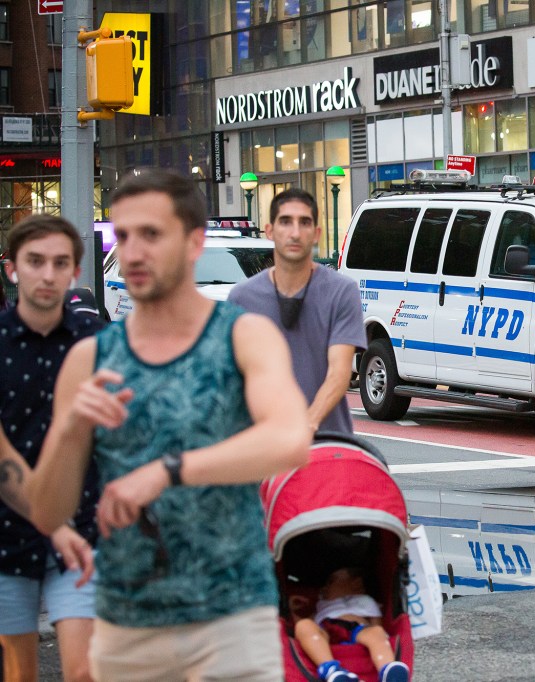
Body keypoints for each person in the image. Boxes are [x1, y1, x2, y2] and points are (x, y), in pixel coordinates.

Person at [27, 169, 310, 680]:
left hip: (233, 616)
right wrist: (70, 428)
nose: (132, 252)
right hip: (127, 627)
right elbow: (47, 512)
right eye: (124, 235)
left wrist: (168, 470)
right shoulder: (90, 359)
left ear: (194, 242)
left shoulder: (243, 336)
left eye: (151, 235)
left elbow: (289, 438)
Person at [0, 215, 101, 682]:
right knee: (18, 674)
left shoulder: (98, 346)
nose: (47, 273)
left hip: (83, 535)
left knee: (83, 672)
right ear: (11, 268)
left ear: (75, 272)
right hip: (5, 536)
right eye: (35, 261)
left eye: (60, 263)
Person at [229, 188, 366, 435]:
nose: (295, 232)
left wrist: (307, 424)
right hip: (262, 450)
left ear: (316, 234)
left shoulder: (342, 291)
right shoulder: (242, 297)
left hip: (326, 447)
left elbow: (339, 373)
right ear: (269, 231)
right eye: (285, 222)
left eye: (304, 223)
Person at [294, 562, 410, 682]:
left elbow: (378, 624)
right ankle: (330, 669)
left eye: (331, 582)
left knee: (377, 632)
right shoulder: (320, 605)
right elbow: (300, 627)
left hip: (357, 629)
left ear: (356, 584)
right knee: (303, 626)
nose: (324, 587)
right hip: (325, 631)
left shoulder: (365, 600)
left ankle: (388, 670)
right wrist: (290, 610)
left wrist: (379, 635)